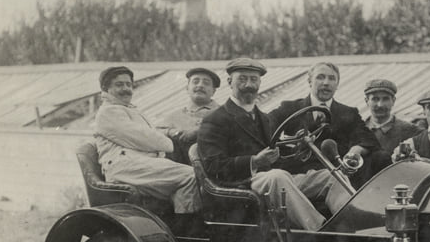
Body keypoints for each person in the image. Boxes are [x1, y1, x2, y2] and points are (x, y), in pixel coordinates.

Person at [197, 58, 326, 231]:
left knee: (329, 176)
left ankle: (352, 225)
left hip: (273, 180)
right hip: (242, 183)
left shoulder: (265, 118)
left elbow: (276, 153)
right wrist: (254, 161)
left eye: (254, 79)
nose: (249, 84)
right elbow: (213, 166)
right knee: (277, 176)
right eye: (242, 79)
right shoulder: (214, 120)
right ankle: (321, 231)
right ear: (230, 82)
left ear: (259, 82)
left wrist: (298, 147)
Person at [93, 65, 199, 213]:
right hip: (124, 167)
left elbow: (150, 134)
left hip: (135, 164)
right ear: (106, 89)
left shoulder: (127, 109)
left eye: (128, 84)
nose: (125, 88)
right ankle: (187, 228)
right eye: (119, 84)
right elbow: (145, 138)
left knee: (190, 176)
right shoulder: (109, 112)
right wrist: (173, 140)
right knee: (191, 176)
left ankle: (181, 224)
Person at [268, 61, 379, 199]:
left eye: (332, 78)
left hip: (336, 179)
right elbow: (265, 129)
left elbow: (367, 139)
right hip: (296, 179)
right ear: (310, 81)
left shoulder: (348, 113)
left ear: (337, 85)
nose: (326, 83)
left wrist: (353, 153)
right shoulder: (289, 108)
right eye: (320, 77)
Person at [160, 66, 221, 165]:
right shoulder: (174, 116)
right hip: (178, 171)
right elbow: (155, 132)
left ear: (213, 91)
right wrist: (172, 132)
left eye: (206, 83)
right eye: (195, 81)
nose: (200, 85)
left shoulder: (223, 112)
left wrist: (198, 131)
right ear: (187, 88)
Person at [363, 78, 421, 175]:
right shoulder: (356, 130)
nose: (380, 105)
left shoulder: (411, 131)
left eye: (385, 99)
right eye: (375, 99)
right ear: (366, 101)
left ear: (393, 101)